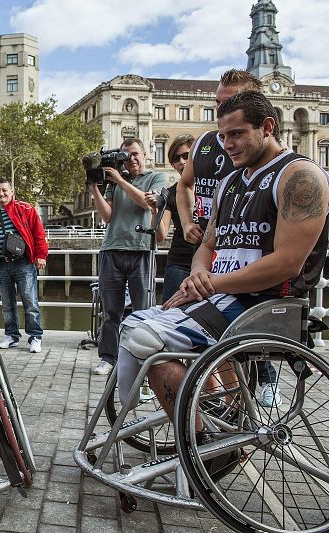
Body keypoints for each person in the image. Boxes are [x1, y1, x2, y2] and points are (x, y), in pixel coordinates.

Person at [117, 92, 329, 463]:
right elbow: (208, 244)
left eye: (237, 134)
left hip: (265, 302)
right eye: (222, 135)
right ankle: (190, 430)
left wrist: (211, 283)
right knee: (133, 320)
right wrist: (198, 274)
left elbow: (288, 263)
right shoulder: (231, 183)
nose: (227, 144)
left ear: (267, 127)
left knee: (145, 337)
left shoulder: (300, 176)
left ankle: (201, 444)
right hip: (220, 295)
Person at [175, 69, 281, 407]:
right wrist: (188, 219)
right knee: (179, 313)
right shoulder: (206, 142)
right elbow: (184, 184)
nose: (221, 107)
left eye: (229, 102)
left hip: (244, 245)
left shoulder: (277, 163)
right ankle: (213, 399)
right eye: (217, 102)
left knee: (234, 321)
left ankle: (257, 386)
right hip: (205, 241)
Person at [90, 139, 169, 375]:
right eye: (125, 156)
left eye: (135, 154)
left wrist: (121, 180)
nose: (131, 159)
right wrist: (94, 186)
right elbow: (107, 216)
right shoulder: (114, 182)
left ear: (145, 154)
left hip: (142, 248)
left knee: (143, 310)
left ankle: (141, 359)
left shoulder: (157, 178)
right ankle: (108, 357)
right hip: (112, 248)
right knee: (111, 311)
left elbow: (146, 203)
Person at [0, 177, 48, 353]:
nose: (1, 194)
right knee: (7, 303)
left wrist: (41, 255)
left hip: (24, 263)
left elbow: (38, 233)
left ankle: (35, 336)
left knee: (30, 301)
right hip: (1, 265)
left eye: (4, 190)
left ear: (12, 192)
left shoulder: (25, 209)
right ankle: (11, 335)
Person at [150, 135, 196, 301]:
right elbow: (160, 236)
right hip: (180, 262)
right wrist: (155, 211)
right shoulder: (170, 193)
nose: (182, 162)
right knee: (170, 314)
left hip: (211, 263)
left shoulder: (215, 187)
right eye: (176, 159)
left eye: (186, 156)